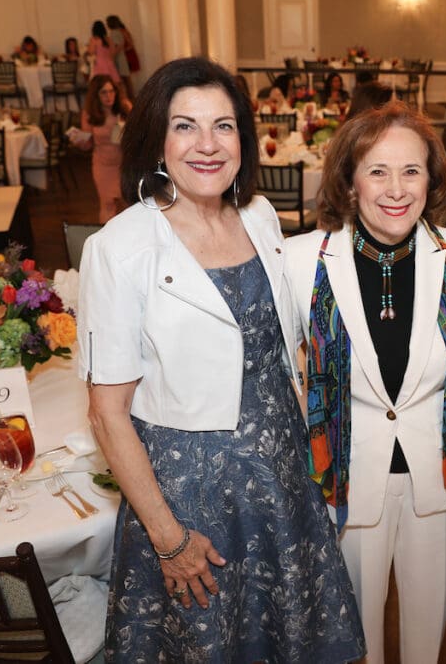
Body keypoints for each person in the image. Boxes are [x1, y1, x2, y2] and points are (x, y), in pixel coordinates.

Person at [77, 57, 365, 662]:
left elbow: (284, 346)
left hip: (282, 476)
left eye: (224, 126)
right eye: (186, 127)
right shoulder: (119, 248)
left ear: (244, 138)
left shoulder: (259, 216)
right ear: (157, 139)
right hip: (192, 496)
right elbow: (108, 414)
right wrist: (168, 537)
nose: (207, 146)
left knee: (289, 638)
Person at [284, 100, 446, 664]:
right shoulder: (302, 261)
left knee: (427, 644)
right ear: (349, 183)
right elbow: (280, 374)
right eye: (377, 171)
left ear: (432, 180)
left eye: (411, 170)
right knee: (356, 646)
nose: (396, 188)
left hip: (438, 480)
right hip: (346, 482)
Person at [79, 75, 132, 223]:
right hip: (103, 165)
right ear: (96, 95)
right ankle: (107, 241)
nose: (109, 96)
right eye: (103, 92)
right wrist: (79, 141)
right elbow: (87, 144)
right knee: (107, 204)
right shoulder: (89, 114)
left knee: (130, 204)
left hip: (125, 164)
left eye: (111, 91)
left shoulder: (125, 107)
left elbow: (139, 133)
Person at [106, 15, 136, 98]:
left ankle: (125, 98)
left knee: (122, 80)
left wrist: (111, 56)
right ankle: (131, 97)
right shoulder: (119, 31)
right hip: (122, 57)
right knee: (126, 79)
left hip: (118, 58)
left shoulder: (114, 33)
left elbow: (118, 46)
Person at [88, 20, 121, 88]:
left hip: (99, 64)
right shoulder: (108, 39)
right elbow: (113, 52)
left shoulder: (94, 39)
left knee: (100, 85)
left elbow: (91, 52)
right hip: (110, 63)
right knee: (114, 85)